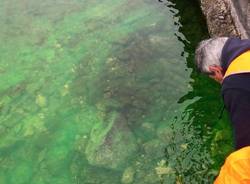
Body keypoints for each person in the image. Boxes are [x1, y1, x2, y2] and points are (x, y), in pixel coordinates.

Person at [195, 37, 250, 183]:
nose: (219, 81)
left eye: (214, 78)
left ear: (215, 70)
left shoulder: (234, 84)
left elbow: (246, 145)